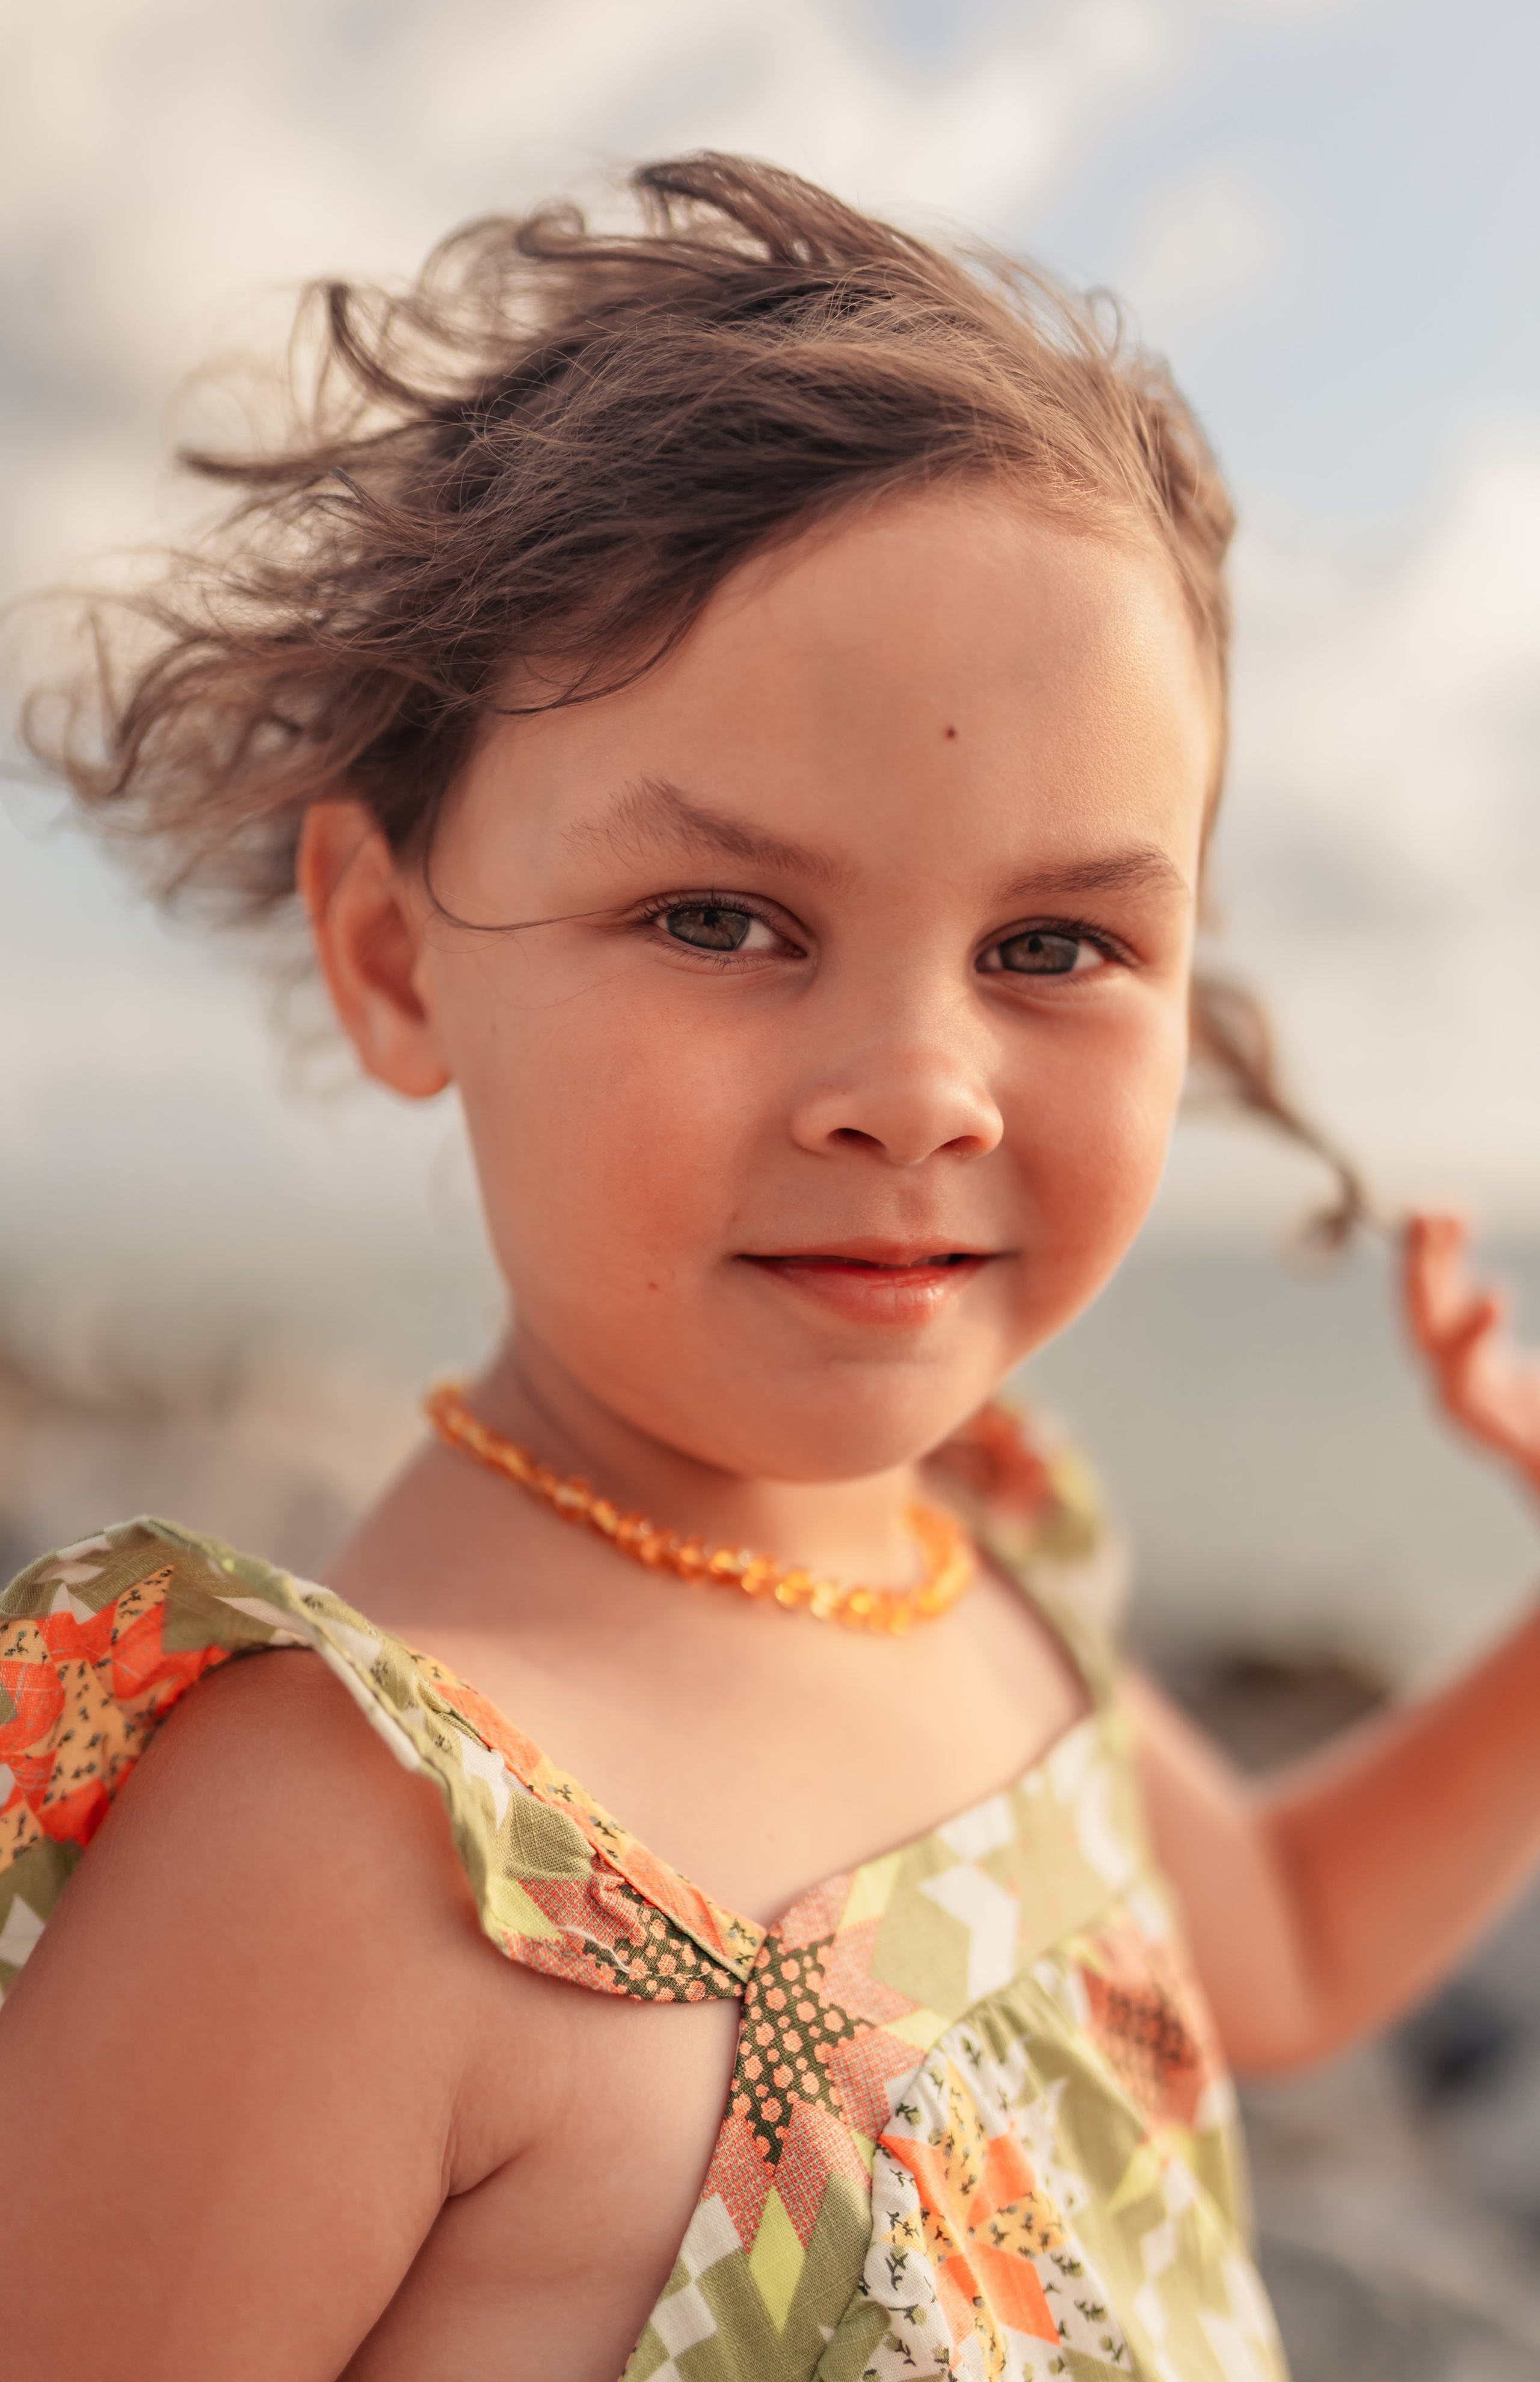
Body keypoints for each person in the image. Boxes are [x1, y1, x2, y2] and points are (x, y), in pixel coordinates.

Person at [2, 153, 1538, 2382]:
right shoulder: (350, 1854)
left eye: (1054, 944)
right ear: (390, 956)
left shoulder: (973, 1561)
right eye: (722, 921)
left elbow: (1280, 1947)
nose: (917, 1088)